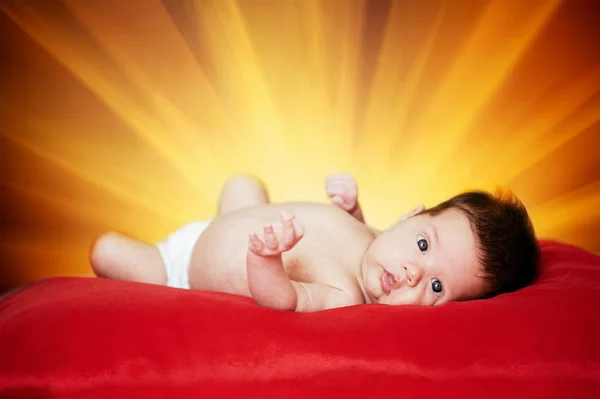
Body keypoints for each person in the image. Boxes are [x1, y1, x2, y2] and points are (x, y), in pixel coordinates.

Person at [89, 174, 539, 312]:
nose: (412, 272)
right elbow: (365, 237)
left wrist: (266, 256)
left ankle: (150, 262)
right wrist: (352, 210)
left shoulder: (344, 293)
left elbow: (283, 298)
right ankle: (233, 213)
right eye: (423, 245)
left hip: (180, 271)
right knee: (243, 182)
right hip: (224, 223)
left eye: (436, 287)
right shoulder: (380, 240)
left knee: (105, 250)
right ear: (410, 217)